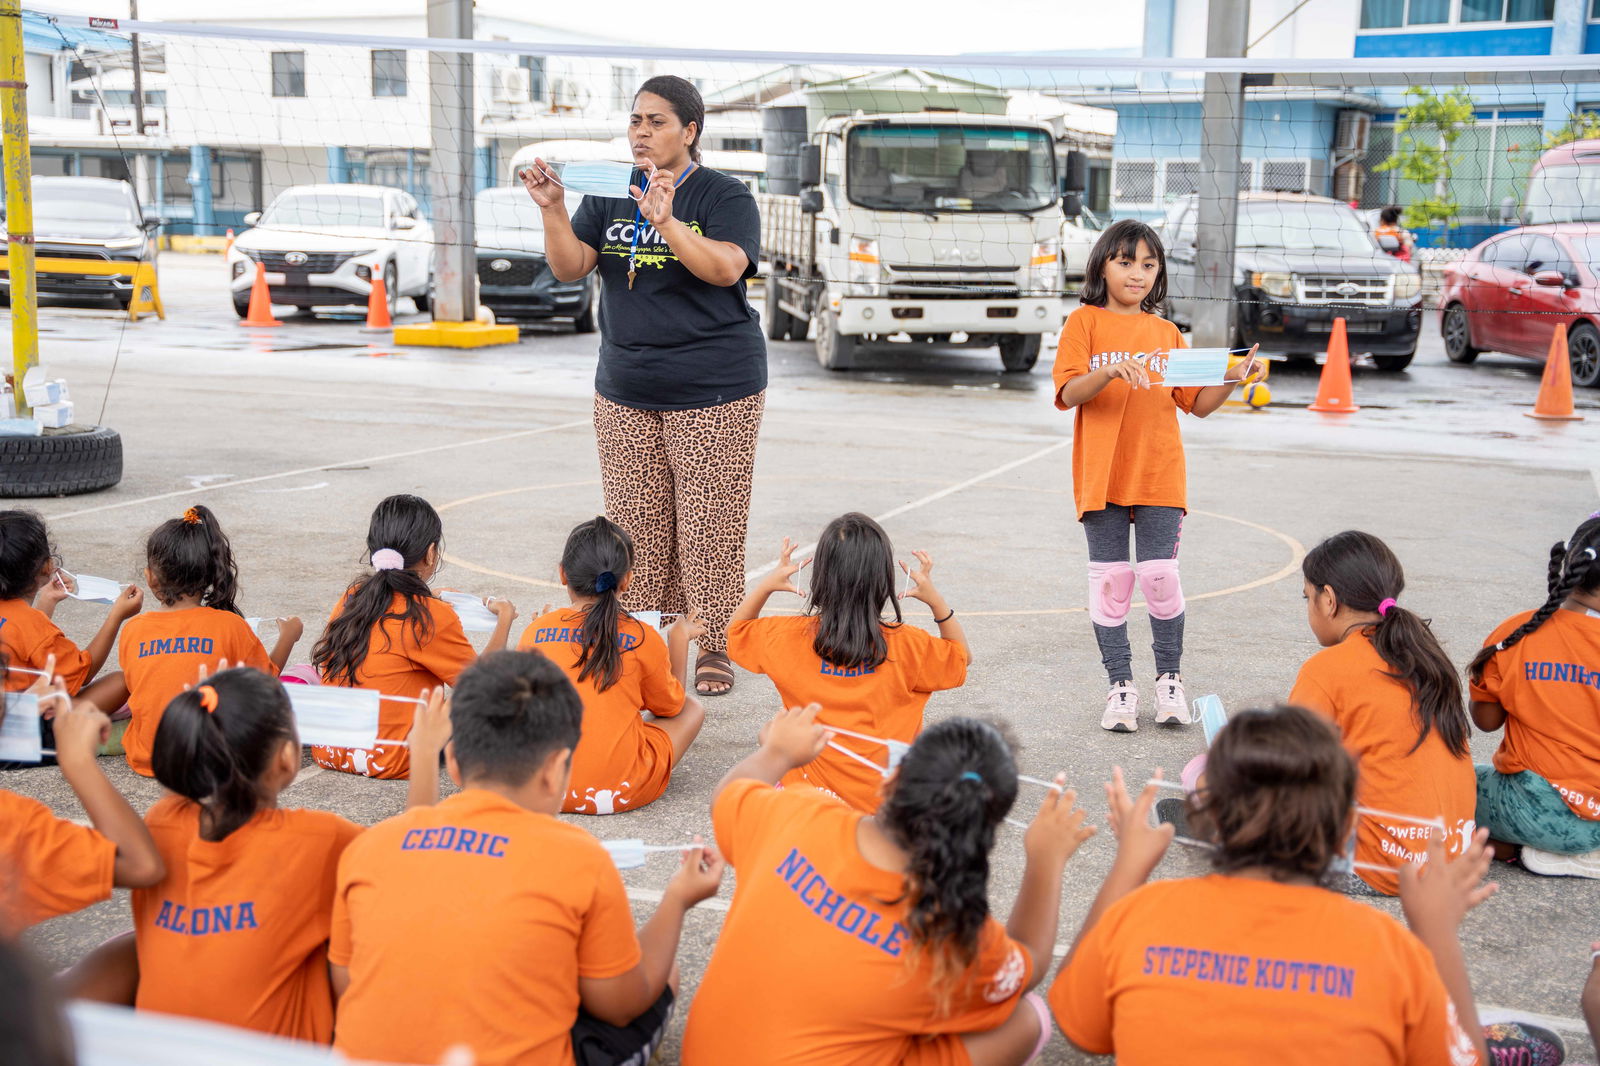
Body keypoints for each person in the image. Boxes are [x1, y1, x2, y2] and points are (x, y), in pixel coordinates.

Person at [329, 650, 724, 1066]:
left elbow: (345, 985)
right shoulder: (578, 858)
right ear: (556, 769)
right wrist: (677, 900)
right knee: (666, 975)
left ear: (455, 764)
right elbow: (620, 1005)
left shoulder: (368, 848)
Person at [1050, 705, 1493, 1065]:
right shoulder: (1392, 951)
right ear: (1344, 833)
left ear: (1203, 821)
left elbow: (1079, 1028)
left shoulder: (1139, 916)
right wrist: (1436, 934)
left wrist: (1127, 868)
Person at [523, 74, 766, 699]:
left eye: (657, 122)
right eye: (636, 120)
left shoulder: (722, 193)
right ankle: (653, 636)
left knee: (709, 524)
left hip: (715, 386)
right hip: (626, 385)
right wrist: (552, 208)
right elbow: (572, 265)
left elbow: (725, 269)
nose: (642, 132)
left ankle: (714, 642)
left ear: (689, 132)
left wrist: (669, 223)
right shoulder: (608, 192)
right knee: (639, 526)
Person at [682, 706, 1090, 1066]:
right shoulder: (956, 929)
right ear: (984, 828)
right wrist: (1046, 860)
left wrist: (777, 752)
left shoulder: (795, 811)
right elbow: (1029, 965)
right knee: (1026, 1017)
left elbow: (727, 797)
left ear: (891, 779)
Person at [1053, 219, 1262, 733]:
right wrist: (1107, 371)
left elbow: (1199, 405)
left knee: (1160, 578)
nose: (1138, 273)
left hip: (1159, 475)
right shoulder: (1084, 323)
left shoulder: (1167, 333)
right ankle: (1120, 687)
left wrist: (1235, 378)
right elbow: (1069, 393)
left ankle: (1170, 681)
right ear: (1102, 264)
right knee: (1111, 584)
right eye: (1126, 262)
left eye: (1149, 265)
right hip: (1100, 476)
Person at [113, 667, 363, 1041]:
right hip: (275, 1055)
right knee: (349, 931)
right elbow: (404, 865)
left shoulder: (162, 820)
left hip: (162, 1050)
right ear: (287, 756)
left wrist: (221, 703)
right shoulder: (321, 838)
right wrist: (424, 754)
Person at [727, 515, 970, 811]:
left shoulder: (784, 636)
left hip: (809, 800)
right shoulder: (910, 645)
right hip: (886, 803)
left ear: (819, 578)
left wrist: (765, 587)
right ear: (884, 581)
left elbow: (735, 633)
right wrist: (937, 604)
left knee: (773, 730)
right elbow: (960, 658)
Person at [1289, 531, 1475, 895]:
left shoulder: (1327, 668)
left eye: (1307, 597)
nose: (1309, 607)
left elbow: (1290, 767)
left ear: (1329, 600)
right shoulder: (1427, 655)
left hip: (1379, 866)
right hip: (1452, 858)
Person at [311, 494, 514, 780]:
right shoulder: (428, 615)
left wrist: (425, 596)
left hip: (330, 750)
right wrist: (504, 618)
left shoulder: (353, 596)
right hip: (393, 757)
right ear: (431, 553)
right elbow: (483, 686)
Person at [517, 516, 705, 814]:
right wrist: (677, 642)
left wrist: (542, 630)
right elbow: (670, 708)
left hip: (542, 788)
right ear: (627, 579)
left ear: (563, 574)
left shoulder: (535, 631)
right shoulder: (641, 635)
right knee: (692, 708)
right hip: (622, 790)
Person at [116, 506, 299, 777]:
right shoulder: (231, 626)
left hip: (150, 757)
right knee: (300, 679)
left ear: (151, 577)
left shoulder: (133, 630)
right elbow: (265, 684)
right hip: (211, 760)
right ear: (211, 574)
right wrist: (288, 637)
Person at [1467, 514, 1600, 878]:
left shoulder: (1516, 634)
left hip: (1534, 810)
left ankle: (1523, 851)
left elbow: (1486, 722)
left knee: (1448, 782)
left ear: (1569, 564)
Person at [0, 654, 163, 933]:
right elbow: (142, 866)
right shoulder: (12, 825)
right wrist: (77, 762)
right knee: (146, 939)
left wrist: (18, 712)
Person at [0, 509, 142, 713]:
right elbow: (84, 674)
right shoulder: (34, 627)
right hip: (21, 725)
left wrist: (47, 601)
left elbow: (22, 637)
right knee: (120, 681)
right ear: (47, 566)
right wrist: (116, 616)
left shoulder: (27, 624)